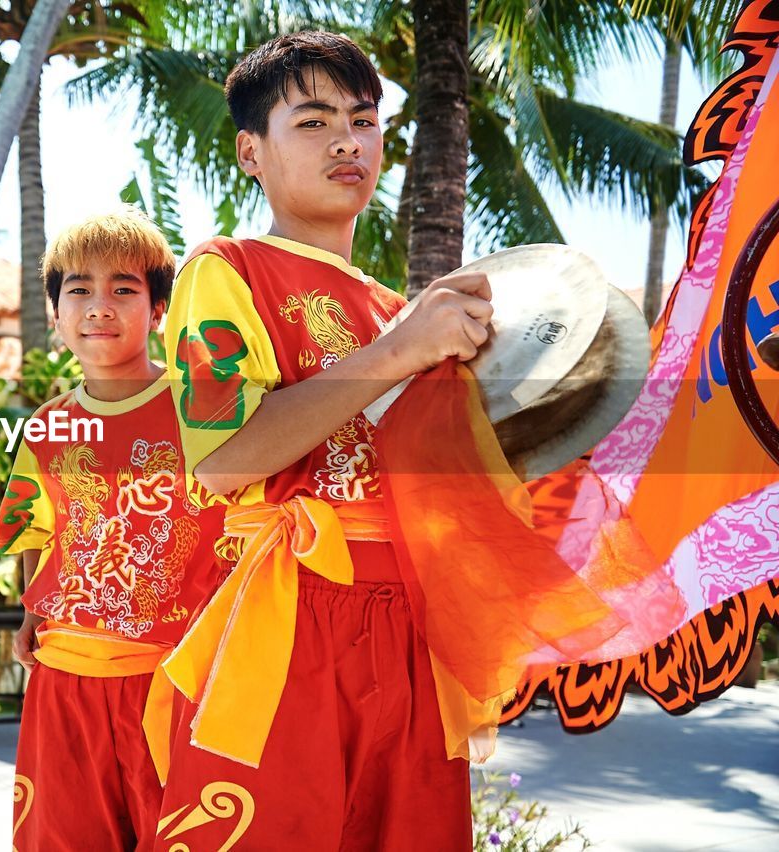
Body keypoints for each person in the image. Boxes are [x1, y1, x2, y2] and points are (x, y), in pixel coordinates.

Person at [154, 32, 498, 850]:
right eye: (312, 121)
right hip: (288, 623)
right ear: (252, 152)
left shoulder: (399, 310)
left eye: (364, 119)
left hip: (415, 631)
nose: (348, 139)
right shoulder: (228, 269)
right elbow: (224, 459)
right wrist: (398, 354)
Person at [0, 209, 226, 851]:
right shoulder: (48, 423)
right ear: (57, 312)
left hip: (175, 675)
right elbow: (40, 532)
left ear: (157, 310)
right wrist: (27, 617)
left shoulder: (200, 406)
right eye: (79, 289)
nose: (100, 305)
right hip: (64, 678)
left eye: (124, 289)